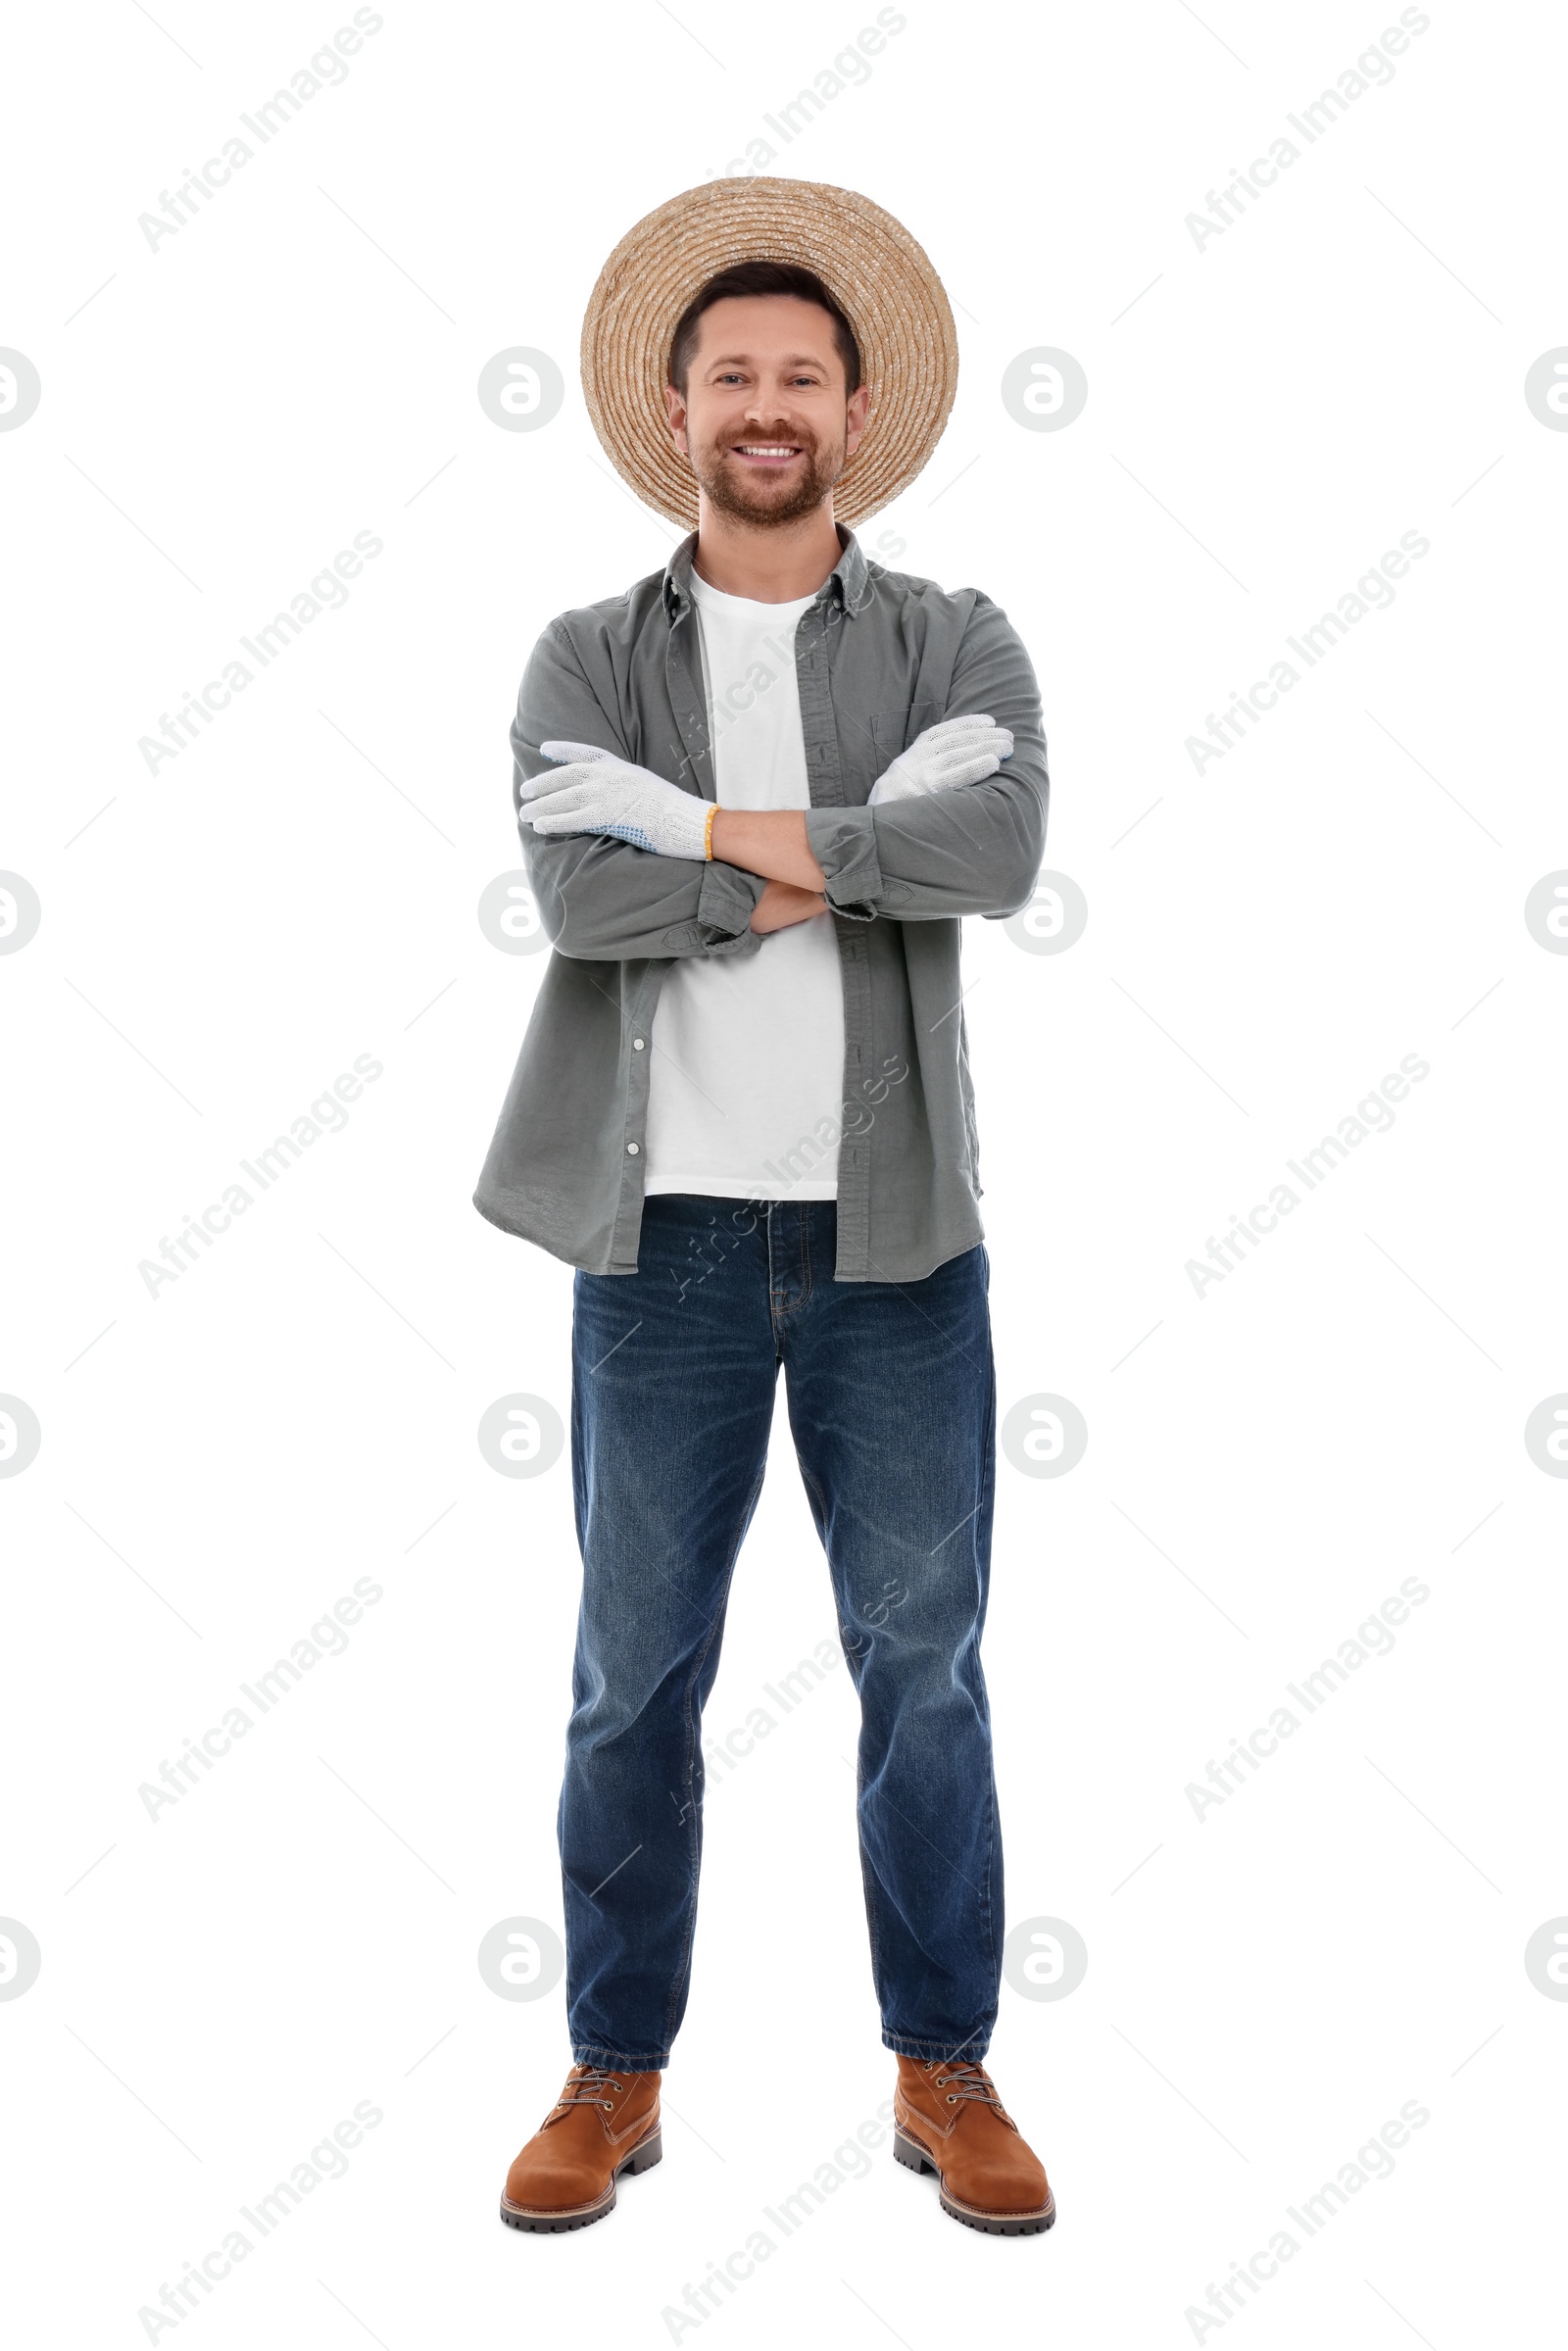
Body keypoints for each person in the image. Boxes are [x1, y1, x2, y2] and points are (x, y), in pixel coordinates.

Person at [475, 179, 1054, 2238]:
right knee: (635, 1672)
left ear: (855, 404)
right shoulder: (580, 653)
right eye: (731, 372)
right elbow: (580, 897)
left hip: (896, 1243)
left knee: (926, 1662)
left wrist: (682, 828)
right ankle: (610, 2079)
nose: (764, 403)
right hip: (666, 1255)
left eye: (798, 372)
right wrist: (834, 849)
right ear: (671, 403)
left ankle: (942, 2067)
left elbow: (987, 849)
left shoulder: (951, 640)